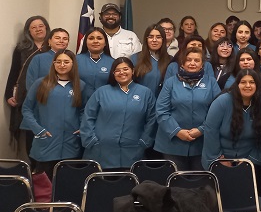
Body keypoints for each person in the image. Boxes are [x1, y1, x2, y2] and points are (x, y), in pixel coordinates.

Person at [21, 50, 89, 179]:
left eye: (66, 62)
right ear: (53, 64)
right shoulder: (41, 84)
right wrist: (38, 130)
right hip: (46, 143)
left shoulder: (80, 85)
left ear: (73, 64)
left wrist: (82, 127)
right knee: (44, 188)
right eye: (58, 61)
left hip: (71, 144)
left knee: (68, 185)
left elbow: (83, 110)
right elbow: (27, 109)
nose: (62, 65)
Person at [81, 57, 157, 170]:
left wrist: (144, 142)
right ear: (113, 73)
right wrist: (92, 141)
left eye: (125, 69)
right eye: (117, 70)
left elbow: (152, 120)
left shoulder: (145, 93)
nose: (122, 72)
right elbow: (88, 117)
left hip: (133, 152)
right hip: (101, 152)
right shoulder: (102, 92)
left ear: (133, 71)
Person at [155, 47, 222, 171]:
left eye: (196, 60)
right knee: (176, 186)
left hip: (202, 143)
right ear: (182, 63)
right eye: (188, 60)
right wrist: (177, 131)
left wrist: (201, 129)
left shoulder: (211, 82)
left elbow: (218, 112)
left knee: (200, 184)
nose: (192, 63)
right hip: (172, 144)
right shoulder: (171, 82)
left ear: (203, 64)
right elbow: (161, 111)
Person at [201, 69, 261, 183]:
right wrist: (219, 158)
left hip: (250, 159)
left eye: (252, 82)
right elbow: (210, 131)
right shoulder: (222, 101)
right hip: (221, 156)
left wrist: (250, 160)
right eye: (243, 82)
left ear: (257, 85)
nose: (247, 86)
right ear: (237, 84)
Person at [5, 16, 49, 154]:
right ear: (28, 32)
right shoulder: (21, 49)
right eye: (33, 27)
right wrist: (8, 94)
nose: (38, 29)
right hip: (26, 95)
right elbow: (14, 72)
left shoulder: (54, 47)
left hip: (50, 95)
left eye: (40, 26)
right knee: (31, 129)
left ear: (46, 28)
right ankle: (34, 167)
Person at [132, 25, 171, 97]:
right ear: (146, 39)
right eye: (151, 37)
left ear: (163, 40)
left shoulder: (170, 60)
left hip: (162, 104)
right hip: (141, 102)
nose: (154, 40)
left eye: (158, 37)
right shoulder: (135, 58)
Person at [76, 27, 114, 93]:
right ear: (85, 42)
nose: (95, 41)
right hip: (80, 101)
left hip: (104, 101)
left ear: (105, 43)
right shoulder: (75, 60)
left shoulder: (113, 62)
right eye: (91, 38)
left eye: (99, 38)